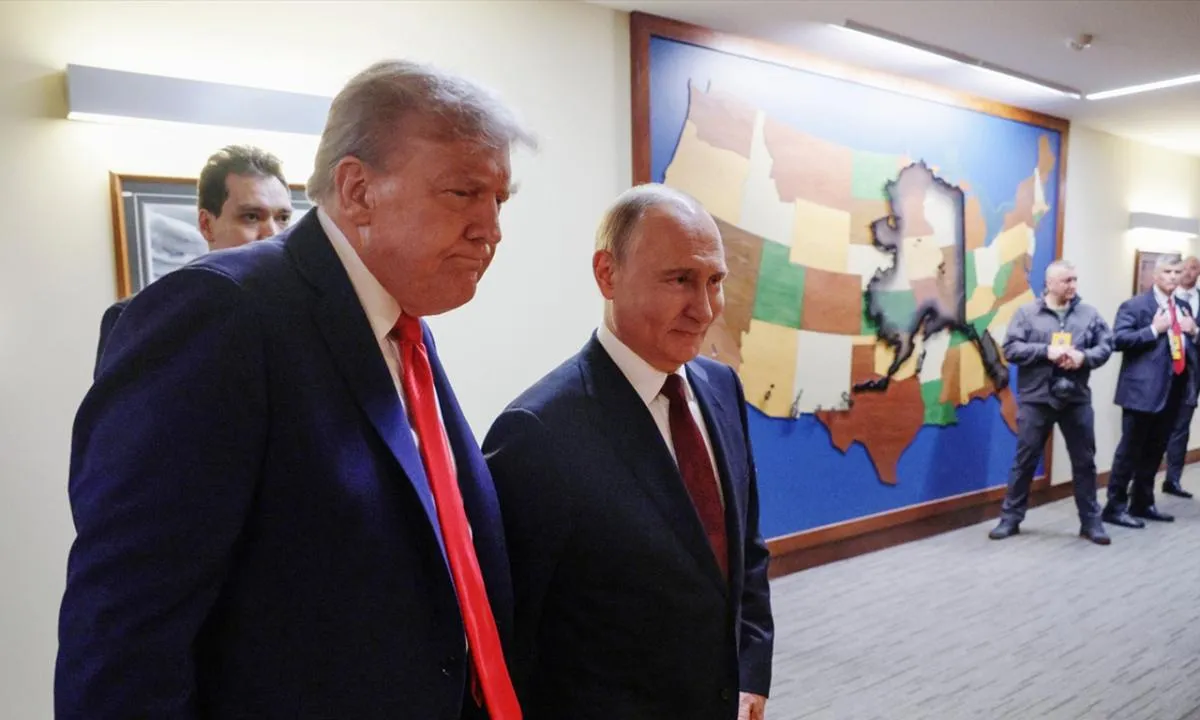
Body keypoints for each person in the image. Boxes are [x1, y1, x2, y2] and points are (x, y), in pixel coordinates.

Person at [57, 60, 534, 719]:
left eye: (499, 200)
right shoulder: (222, 313)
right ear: (358, 190)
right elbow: (125, 635)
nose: (491, 228)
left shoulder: (401, 328)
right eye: (463, 193)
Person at [483, 184, 774, 720]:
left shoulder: (721, 389)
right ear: (607, 274)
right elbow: (512, 636)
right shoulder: (537, 434)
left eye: (714, 281)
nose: (704, 309)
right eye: (679, 280)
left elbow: (745, 555)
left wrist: (751, 674)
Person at [93, 144, 295, 376]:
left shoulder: (302, 314)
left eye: (282, 218)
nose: (273, 234)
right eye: (251, 217)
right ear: (206, 225)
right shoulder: (139, 319)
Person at [988, 260, 1113, 544]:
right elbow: (1011, 349)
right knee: (1024, 461)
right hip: (1037, 399)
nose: (1073, 285)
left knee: (1084, 462)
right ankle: (1010, 519)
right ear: (1049, 283)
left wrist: (1084, 357)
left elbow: (1106, 345)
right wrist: (1047, 351)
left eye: (1075, 279)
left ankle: (1091, 523)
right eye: (1067, 280)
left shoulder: (1089, 314)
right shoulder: (1026, 313)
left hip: (1076, 398)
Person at [1104, 255, 1200, 528]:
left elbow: (1188, 345)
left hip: (1174, 389)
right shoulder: (1135, 305)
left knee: (1155, 450)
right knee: (1130, 450)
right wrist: (1153, 330)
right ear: (1155, 275)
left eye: (1177, 272)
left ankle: (1143, 502)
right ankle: (1115, 507)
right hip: (1142, 391)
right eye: (1168, 271)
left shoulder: (1182, 307)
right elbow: (1118, 340)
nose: (1173, 276)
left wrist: (1194, 331)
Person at [1163, 255, 1200, 498]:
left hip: (1192, 376)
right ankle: (1141, 482)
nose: (1187, 272)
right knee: (1155, 427)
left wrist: (1196, 331)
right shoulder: (1166, 300)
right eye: (1183, 268)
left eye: (1193, 268)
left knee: (1181, 428)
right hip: (1165, 375)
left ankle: (1173, 480)